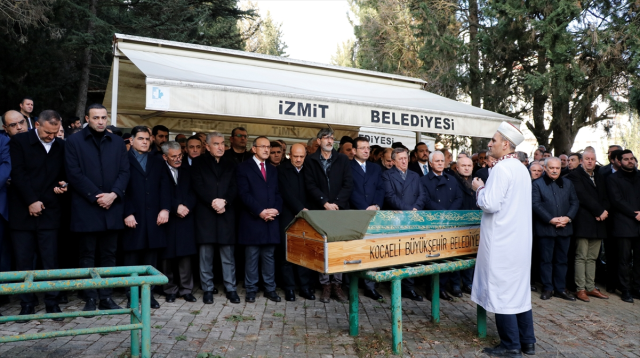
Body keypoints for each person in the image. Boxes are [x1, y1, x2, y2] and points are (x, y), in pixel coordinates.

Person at [471, 122, 536, 357]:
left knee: (501, 292)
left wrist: (479, 188)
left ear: (506, 145)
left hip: (502, 241)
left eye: (494, 140)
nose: (490, 144)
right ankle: (528, 342)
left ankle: (511, 345)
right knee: (519, 291)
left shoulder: (501, 169)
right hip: (518, 241)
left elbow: (490, 204)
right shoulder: (521, 168)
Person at [65, 103, 129, 313]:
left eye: (104, 117)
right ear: (87, 119)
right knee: (87, 255)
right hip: (87, 208)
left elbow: (124, 171)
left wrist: (113, 194)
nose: (101, 121)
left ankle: (106, 297)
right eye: (96, 118)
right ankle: (90, 298)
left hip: (112, 206)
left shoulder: (118, 142)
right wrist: (96, 196)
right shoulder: (74, 141)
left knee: (109, 255)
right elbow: (73, 173)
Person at [9, 110, 67, 321]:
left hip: (51, 212)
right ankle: (27, 303)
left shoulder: (61, 145)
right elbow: (18, 173)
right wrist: (31, 201)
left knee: (50, 260)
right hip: (22, 212)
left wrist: (64, 185)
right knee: (24, 261)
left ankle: (52, 302)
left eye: (56, 132)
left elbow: (65, 174)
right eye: (49, 132)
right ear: (37, 125)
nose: (53, 136)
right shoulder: (19, 142)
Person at [122, 126, 170, 308]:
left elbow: (165, 186)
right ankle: (131, 296)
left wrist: (165, 209)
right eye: (140, 138)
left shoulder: (157, 161)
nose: (144, 142)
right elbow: (121, 189)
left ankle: (148, 295)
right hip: (133, 215)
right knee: (132, 258)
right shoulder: (123, 160)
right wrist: (127, 212)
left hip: (154, 217)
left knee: (151, 258)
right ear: (132, 140)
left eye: (147, 139)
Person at [304, 128, 353, 303]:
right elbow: (309, 185)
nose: (330, 141)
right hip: (321, 210)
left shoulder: (342, 159)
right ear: (318, 141)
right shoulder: (310, 161)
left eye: (332, 138)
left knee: (338, 248)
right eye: (326, 138)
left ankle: (337, 285)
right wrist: (324, 203)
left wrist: (337, 204)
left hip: (339, 211)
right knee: (323, 247)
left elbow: (348, 183)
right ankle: (325, 285)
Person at [191, 132, 239, 304]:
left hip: (226, 213)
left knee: (228, 255)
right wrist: (213, 201)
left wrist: (224, 201)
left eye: (222, 143)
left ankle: (231, 288)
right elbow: (197, 185)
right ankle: (208, 289)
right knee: (206, 255)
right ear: (207, 146)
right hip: (206, 214)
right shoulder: (197, 162)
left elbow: (235, 186)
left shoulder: (231, 163)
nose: (221, 147)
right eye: (216, 144)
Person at [236, 136, 283, 303]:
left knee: (269, 256)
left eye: (268, 147)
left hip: (271, 219)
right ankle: (251, 289)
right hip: (252, 219)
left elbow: (278, 193)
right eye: (262, 146)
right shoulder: (243, 168)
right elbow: (243, 194)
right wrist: (260, 211)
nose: (266, 150)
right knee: (252, 256)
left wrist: (276, 209)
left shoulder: (272, 169)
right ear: (254, 149)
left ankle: (270, 288)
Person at [532, 157, 579, 302]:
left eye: (557, 168)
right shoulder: (537, 184)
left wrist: (568, 218)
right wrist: (550, 219)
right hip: (546, 228)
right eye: (551, 168)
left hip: (565, 227)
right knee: (546, 260)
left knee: (562, 260)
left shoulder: (568, 183)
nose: (554, 170)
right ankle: (547, 288)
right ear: (545, 168)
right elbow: (535, 204)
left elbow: (574, 202)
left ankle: (560, 289)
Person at [565, 149, 610, 302]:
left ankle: (591, 287)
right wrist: (598, 211)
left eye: (592, 158)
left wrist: (603, 211)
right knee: (581, 256)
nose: (590, 161)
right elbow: (582, 196)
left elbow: (606, 196)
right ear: (582, 160)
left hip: (599, 222)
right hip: (584, 222)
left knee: (593, 257)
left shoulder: (600, 175)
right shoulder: (575, 175)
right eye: (587, 158)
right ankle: (580, 289)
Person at [382, 147, 426, 301]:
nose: (404, 161)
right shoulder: (387, 175)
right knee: (397, 255)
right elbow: (389, 196)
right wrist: (408, 209)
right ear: (393, 161)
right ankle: (396, 286)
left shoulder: (415, 175)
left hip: (412, 219)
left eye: (405, 158)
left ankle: (409, 288)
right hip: (397, 220)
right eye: (400, 159)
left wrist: (416, 209)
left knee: (411, 254)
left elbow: (422, 195)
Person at [422, 151, 463, 300]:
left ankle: (442, 288)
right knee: (433, 257)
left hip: (450, 224)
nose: (440, 163)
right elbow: (425, 200)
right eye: (437, 161)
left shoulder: (452, 179)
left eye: (442, 161)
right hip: (434, 224)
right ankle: (431, 289)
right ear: (431, 163)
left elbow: (459, 197)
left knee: (447, 257)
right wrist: (443, 213)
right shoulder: (424, 180)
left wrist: (450, 214)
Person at [277, 143, 315, 301]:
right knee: (287, 253)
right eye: (295, 156)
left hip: (307, 216)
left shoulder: (309, 170)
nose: (298, 159)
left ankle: (305, 287)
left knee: (305, 252)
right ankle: (289, 288)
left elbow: (313, 190)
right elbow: (286, 193)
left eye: (301, 156)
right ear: (289, 155)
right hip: (288, 215)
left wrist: (307, 211)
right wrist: (301, 209)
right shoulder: (281, 170)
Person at [161, 141, 197, 303]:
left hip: (185, 217)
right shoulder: (159, 171)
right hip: (168, 217)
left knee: (185, 255)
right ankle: (169, 289)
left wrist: (186, 206)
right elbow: (160, 193)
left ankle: (186, 289)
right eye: (173, 156)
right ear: (164, 157)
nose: (177, 159)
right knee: (167, 257)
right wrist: (176, 207)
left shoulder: (187, 170)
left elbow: (194, 191)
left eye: (180, 156)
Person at [349, 137, 385, 301]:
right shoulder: (347, 167)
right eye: (362, 148)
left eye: (368, 148)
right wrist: (363, 208)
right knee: (355, 250)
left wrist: (376, 205)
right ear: (354, 151)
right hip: (356, 213)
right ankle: (352, 286)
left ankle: (370, 286)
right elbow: (349, 189)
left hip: (373, 214)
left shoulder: (375, 168)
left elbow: (380, 188)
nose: (366, 150)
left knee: (372, 250)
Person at [606, 149, 640, 303]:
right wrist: (635, 214)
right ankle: (625, 289)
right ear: (619, 161)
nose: (630, 161)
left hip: (639, 224)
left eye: (632, 158)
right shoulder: (613, 179)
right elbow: (616, 200)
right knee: (624, 260)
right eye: (626, 159)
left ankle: (637, 288)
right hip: (623, 224)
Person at [453, 156, 477, 294]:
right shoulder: (453, 181)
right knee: (456, 255)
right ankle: (456, 284)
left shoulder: (477, 182)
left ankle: (468, 283)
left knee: (470, 254)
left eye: (469, 165)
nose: (467, 168)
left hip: (474, 224)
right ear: (457, 167)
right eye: (463, 165)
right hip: (458, 223)